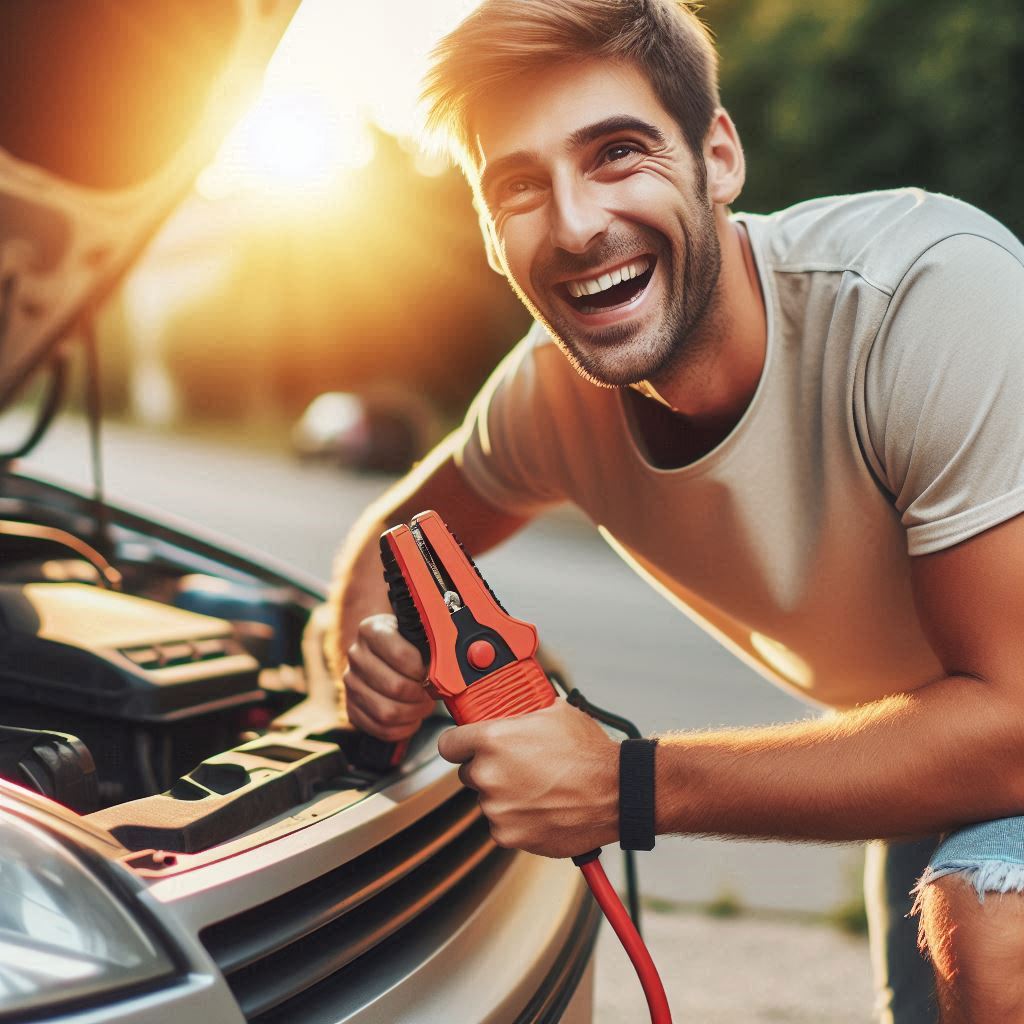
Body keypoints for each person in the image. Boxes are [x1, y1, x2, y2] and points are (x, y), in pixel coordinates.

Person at [326, 2, 1024, 1020]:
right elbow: (380, 554)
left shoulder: (923, 298)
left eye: (616, 153)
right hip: (931, 739)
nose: (573, 225)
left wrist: (629, 781)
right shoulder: (544, 401)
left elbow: (1014, 725)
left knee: (994, 929)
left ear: (718, 156)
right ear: (488, 233)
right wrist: (379, 673)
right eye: (519, 186)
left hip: (996, 726)